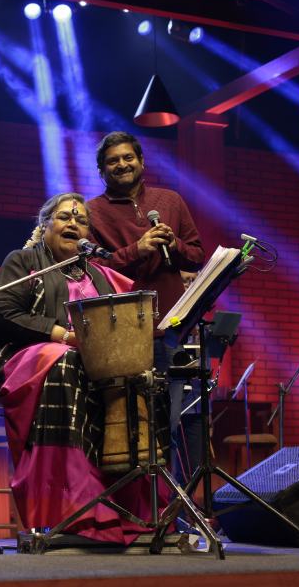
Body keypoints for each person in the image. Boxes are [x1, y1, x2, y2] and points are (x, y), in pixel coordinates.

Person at [0, 192, 167, 545]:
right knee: (65, 359)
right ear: (44, 225)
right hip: (26, 356)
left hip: (90, 363)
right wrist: (62, 334)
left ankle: (137, 506)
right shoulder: (23, 261)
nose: (74, 224)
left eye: (81, 220)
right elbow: (2, 313)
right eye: (65, 216)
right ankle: (69, 504)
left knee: (143, 378)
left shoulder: (98, 275)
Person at [85, 131, 205, 484]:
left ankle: (173, 510)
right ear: (101, 170)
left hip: (170, 326)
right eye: (112, 161)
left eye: (127, 157)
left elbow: (197, 255)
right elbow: (95, 271)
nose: (122, 164)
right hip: (122, 330)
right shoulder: (93, 212)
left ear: (141, 161)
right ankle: (137, 506)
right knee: (133, 425)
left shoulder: (169, 200)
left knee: (173, 422)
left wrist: (175, 243)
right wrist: (136, 251)